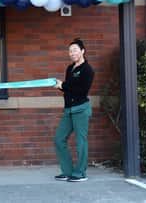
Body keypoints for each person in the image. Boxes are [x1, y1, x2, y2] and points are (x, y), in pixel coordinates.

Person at [53, 38, 95, 183]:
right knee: (59, 139)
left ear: (82, 51)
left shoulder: (87, 70)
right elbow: (69, 90)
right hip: (69, 110)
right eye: (70, 51)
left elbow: (81, 91)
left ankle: (81, 173)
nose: (72, 53)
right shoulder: (70, 68)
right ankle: (68, 171)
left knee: (80, 142)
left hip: (81, 110)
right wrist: (60, 87)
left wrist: (63, 86)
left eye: (75, 50)